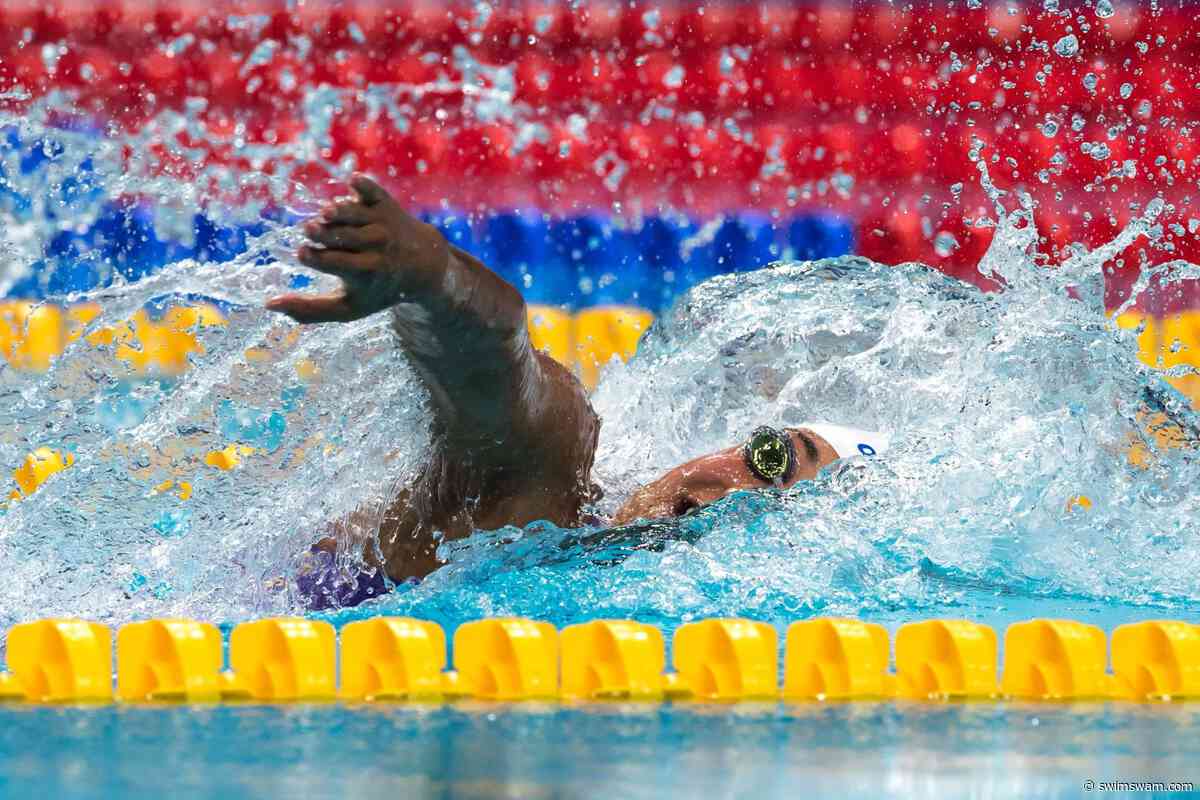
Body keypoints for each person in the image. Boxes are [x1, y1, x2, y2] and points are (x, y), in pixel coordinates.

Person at [266, 176, 888, 607]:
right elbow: (496, 369)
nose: (736, 499)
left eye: (772, 518)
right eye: (771, 459)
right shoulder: (557, 477)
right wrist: (430, 279)